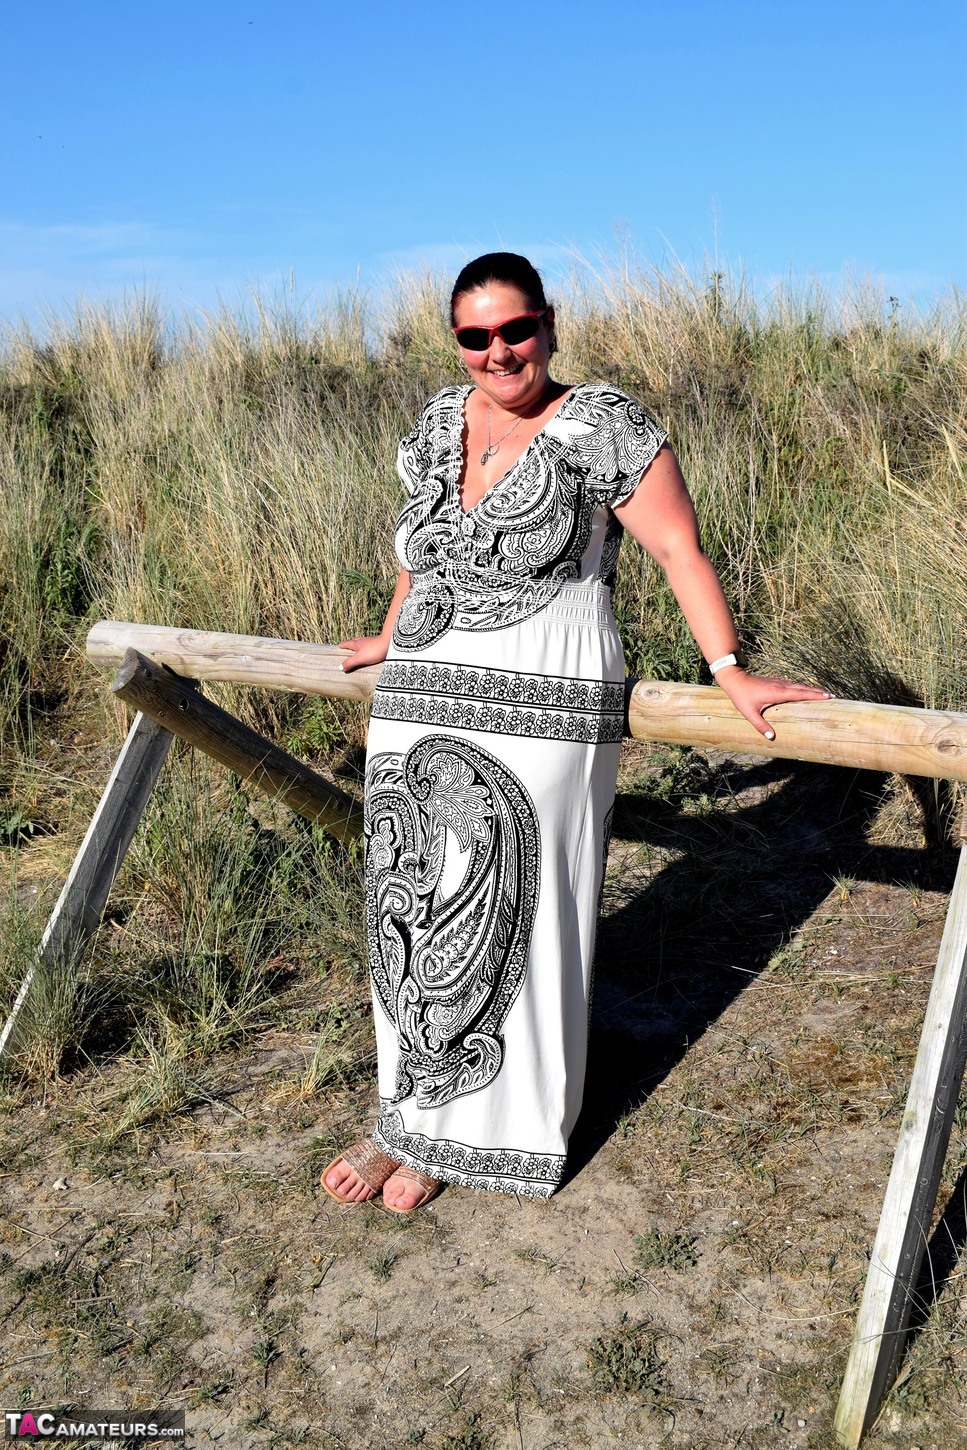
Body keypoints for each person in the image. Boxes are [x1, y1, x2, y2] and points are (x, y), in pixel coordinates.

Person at [322, 252, 831, 1213]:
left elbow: (677, 547)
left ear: (548, 324)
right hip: (420, 693)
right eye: (475, 336)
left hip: (545, 698)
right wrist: (391, 635)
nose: (498, 351)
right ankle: (408, 1119)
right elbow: (420, 555)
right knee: (407, 913)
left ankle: (479, 1138)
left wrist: (727, 668)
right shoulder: (437, 422)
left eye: (515, 329)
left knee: (513, 911)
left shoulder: (603, 424)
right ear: (456, 342)